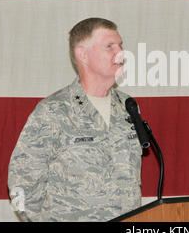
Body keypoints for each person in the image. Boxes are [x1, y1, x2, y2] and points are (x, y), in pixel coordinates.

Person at [8, 17, 142, 221]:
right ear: (83, 55)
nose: (120, 53)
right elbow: (22, 183)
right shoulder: (54, 111)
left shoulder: (128, 108)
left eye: (120, 45)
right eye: (110, 46)